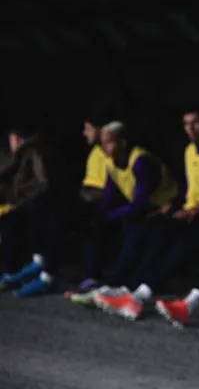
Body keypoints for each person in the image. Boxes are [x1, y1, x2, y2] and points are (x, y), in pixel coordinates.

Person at [93, 109, 199, 322]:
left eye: (196, 123)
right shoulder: (189, 150)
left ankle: (190, 301)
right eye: (186, 124)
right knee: (160, 230)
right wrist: (172, 204)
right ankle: (136, 293)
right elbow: (190, 185)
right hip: (194, 213)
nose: (190, 128)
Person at [69, 122, 181, 308]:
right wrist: (97, 216)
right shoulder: (111, 162)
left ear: (123, 142)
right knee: (109, 226)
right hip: (145, 210)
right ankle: (111, 282)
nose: (104, 147)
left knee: (138, 229)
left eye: (109, 142)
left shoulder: (140, 161)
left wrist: (109, 217)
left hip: (167, 207)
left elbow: (140, 202)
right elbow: (110, 196)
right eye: (103, 143)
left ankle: (125, 286)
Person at [0, 124, 60, 297]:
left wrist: (19, 199)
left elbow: (42, 182)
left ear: (17, 138)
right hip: (23, 202)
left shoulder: (32, 152)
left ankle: (42, 273)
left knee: (27, 224)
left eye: (11, 139)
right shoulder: (20, 155)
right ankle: (30, 271)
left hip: (36, 202)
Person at [63, 115, 114, 297]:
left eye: (88, 128)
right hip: (88, 198)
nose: (84, 133)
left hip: (102, 201)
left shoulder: (110, 151)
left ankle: (92, 277)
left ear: (100, 129)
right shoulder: (94, 152)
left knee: (93, 222)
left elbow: (110, 187)